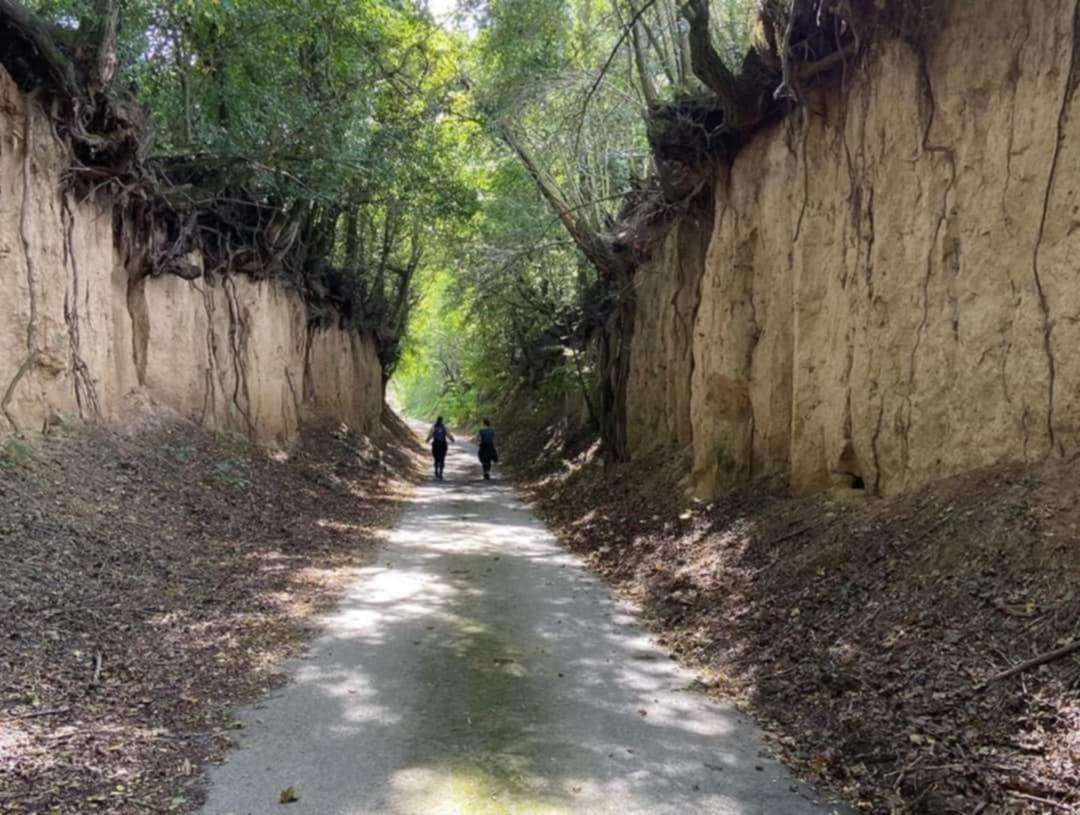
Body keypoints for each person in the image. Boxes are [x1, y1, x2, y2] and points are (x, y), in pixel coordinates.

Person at [425, 416, 455, 480]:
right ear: (442, 420)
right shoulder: (444, 427)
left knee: (435, 458)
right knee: (442, 458)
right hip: (443, 444)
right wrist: (452, 439)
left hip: (435, 444)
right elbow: (448, 435)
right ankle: (441, 473)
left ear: (437, 420)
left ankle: (436, 471)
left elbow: (430, 435)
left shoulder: (434, 427)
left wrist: (427, 440)